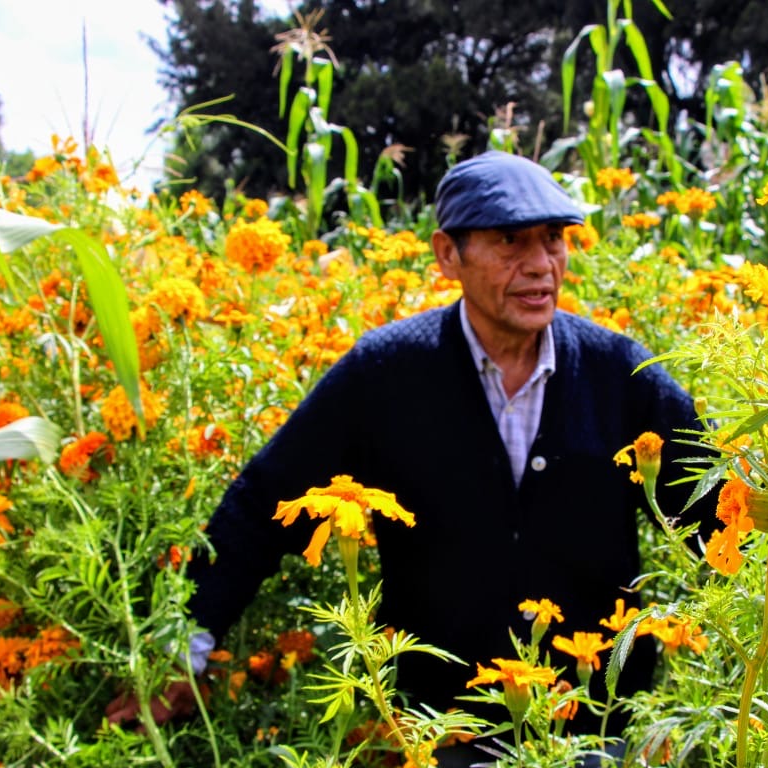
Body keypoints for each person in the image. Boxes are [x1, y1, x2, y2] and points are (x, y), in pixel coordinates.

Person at [183, 150, 718, 734]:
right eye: (511, 241)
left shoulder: (620, 375)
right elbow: (264, 502)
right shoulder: (387, 371)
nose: (541, 265)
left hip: (596, 725)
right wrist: (185, 641)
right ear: (446, 255)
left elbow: (716, 514)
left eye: (554, 239)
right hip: (440, 730)